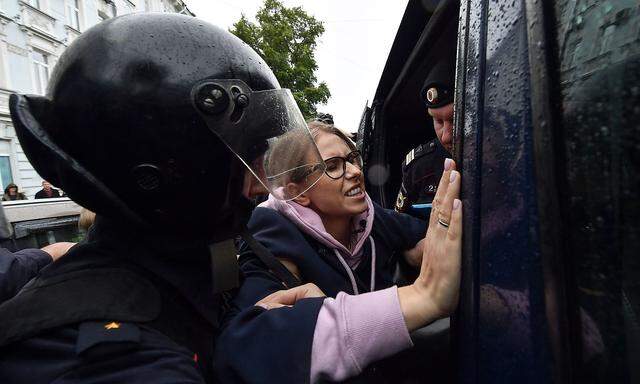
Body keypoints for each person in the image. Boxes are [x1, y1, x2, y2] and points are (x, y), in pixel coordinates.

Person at [0, 13, 335, 383]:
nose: (259, 184)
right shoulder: (109, 359)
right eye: (248, 158)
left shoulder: (187, 260)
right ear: (174, 174)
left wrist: (247, 331)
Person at [215, 120, 462, 382]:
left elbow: (424, 238)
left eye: (353, 158)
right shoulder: (272, 233)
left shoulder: (369, 215)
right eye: (332, 166)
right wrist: (424, 295)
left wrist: (417, 251)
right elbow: (251, 345)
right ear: (298, 194)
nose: (355, 171)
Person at [395, 0, 458, 217]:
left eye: (455, 120)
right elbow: (401, 227)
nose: (446, 135)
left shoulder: (505, 150)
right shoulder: (418, 167)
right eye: (438, 121)